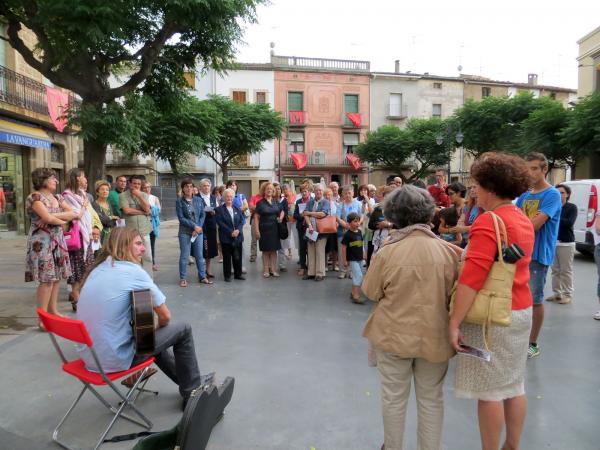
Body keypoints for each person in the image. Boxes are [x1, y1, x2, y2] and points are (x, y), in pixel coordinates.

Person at [362, 185, 460, 450]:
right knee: (431, 400)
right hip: (435, 337)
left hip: (393, 336)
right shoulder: (449, 252)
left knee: (393, 399)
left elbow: (370, 292)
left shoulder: (387, 252)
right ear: (428, 212)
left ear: (394, 215)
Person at [449, 153, 534, 450]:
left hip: (494, 316)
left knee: (490, 393)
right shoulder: (521, 218)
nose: (474, 190)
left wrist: (454, 322)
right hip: (521, 309)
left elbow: (471, 279)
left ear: (490, 187)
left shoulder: (489, 222)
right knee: (514, 385)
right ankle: (512, 445)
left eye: (477, 184)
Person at [76, 227, 209, 410]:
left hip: (90, 359)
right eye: (138, 244)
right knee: (182, 329)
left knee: (149, 337)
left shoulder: (98, 269)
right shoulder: (133, 272)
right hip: (116, 360)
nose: (144, 249)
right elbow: (165, 316)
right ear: (123, 245)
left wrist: (149, 332)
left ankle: (188, 380)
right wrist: (156, 327)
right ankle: (193, 392)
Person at [516, 152, 561, 359]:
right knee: (516, 298)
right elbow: (514, 221)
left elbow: (534, 225)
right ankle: (519, 338)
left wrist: (523, 223)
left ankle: (532, 342)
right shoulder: (525, 196)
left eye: (535, 168)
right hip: (519, 253)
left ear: (545, 170)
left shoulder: (552, 195)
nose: (530, 173)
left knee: (535, 299)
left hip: (538, 255)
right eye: (528, 169)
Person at [25, 168, 77, 328]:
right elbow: (48, 217)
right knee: (46, 280)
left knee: (56, 278)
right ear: (43, 180)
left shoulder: (58, 197)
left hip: (58, 240)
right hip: (42, 242)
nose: (56, 181)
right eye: (53, 178)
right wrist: (56, 217)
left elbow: (73, 213)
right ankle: (42, 318)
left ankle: (53, 311)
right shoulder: (35, 197)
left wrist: (53, 217)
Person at [62, 168, 95, 308]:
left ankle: (79, 296)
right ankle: (76, 297)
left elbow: (88, 216)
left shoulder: (82, 194)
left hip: (85, 235)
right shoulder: (67, 195)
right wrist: (84, 205)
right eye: (83, 176)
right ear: (76, 178)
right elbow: (77, 215)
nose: (85, 179)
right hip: (76, 236)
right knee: (77, 267)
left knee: (86, 267)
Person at [176, 179, 212, 287]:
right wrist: (194, 226)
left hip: (198, 232)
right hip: (185, 232)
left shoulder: (198, 200)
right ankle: (183, 278)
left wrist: (199, 227)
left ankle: (202, 276)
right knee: (184, 256)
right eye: (186, 186)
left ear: (193, 188)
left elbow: (202, 215)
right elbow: (181, 218)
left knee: (199, 255)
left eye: (191, 186)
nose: (189, 188)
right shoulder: (179, 201)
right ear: (183, 188)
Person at [546, 183, 577, 305]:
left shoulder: (571, 207)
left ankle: (567, 294)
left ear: (567, 194)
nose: (559, 195)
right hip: (553, 242)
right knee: (555, 270)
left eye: (562, 193)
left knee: (566, 270)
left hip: (566, 243)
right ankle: (557, 294)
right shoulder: (553, 206)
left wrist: (551, 217)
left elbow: (568, 223)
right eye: (557, 192)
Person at [119, 175, 154, 277]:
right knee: (131, 256)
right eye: (134, 183)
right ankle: (133, 278)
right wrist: (142, 212)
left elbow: (148, 210)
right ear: (130, 184)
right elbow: (127, 210)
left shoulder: (144, 195)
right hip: (131, 231)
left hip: (144, 230)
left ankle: (148, 280)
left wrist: (139, 196)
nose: (137, 186)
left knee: (147, 256)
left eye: (139, 184)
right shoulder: (122, 196)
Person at [254, 182, 284, 278]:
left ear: (273, 191)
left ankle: (274, 270)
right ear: (264, 190)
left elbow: (282, 210)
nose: (269, 190)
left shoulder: (276, 202)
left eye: (271, 189)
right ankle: (266, 270)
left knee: (274, 251)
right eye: (267, 188)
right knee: (266, 251)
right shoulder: (260, 203)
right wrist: (257, 230)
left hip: (275, 229)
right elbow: (256, 217)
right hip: (264, 229)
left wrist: (281, 217)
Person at [215, 188, 245, 282]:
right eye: (227, 196)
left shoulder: (237, 208)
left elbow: (241, 221)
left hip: (238, 236)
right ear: (224, 198)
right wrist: (230, 232)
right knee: (227, 257)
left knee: (238, 256)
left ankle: (238, 274)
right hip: (226, 237)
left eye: (231, 196)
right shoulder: (219, 209)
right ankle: (227, 275)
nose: (229, 198)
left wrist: (238, 230)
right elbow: (220, 223)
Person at [303, 183, 330, 281]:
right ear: (314, 191)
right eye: (317, 190)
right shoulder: (310, 202)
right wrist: (309, 225)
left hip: (321, 231)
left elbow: (323, 214)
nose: (318, 192)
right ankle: (311, 272)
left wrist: (310, 213)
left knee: (319, 251)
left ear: (323, 192)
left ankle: (320, 273)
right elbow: (304, 214)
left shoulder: (325, 202)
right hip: (311, 229)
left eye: (320, 190)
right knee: (310, 251)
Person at [336, 185, 362, 279]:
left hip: (355, 230)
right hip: (343, 230)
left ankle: (352, 271)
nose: (347, 195)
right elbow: (338, 218)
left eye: (349, 193)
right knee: (342, 250)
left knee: (353, 250)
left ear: (353, 193)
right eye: (345, 193)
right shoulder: (340, 205)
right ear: (342, 195)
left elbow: (361, 216)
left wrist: (356, 225)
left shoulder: (358, 203)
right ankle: (343, 271)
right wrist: (347, 225)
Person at [197, 179, 218, 278]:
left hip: (211, 226)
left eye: (208, 186)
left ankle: (208, 269)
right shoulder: (196, 197)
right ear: (200, 187)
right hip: (201, 225)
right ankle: (200, 271)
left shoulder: (213, 197)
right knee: (200, 249)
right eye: (204, 186)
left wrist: (215, 211)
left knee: (209, 250)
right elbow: (197, 209)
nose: (206, 187)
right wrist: (209, 209)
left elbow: (217, 209)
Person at [341, 212, 364, 303]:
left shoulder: (359, 232)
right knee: (358, 276)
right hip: (352, 259)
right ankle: (356, 295)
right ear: (349, 223)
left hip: (360, 258)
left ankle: (353, 292)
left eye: (358, 221)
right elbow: (344, 247)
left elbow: (361, 244)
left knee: (357, 275)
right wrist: (345, 260)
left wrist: (364, 254)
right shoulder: (347, 235)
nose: (357, 223)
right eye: (355, 221)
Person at [368, 185, 396, 255]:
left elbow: (401, 225)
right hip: (377, 242)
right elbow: (370, 225)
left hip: (392, 242)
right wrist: (378, 225)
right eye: (386, 196)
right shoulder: (378, 209)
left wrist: (388, 225)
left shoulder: (398, 210)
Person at [142, 180, 161, 271]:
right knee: (141, 244)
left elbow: (158, 210)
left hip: (152, 224)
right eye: (145, 187)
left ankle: (152, 263)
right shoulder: (140, 197)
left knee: (151, 244)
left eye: (148, 187)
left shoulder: (154, 198)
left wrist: (150, 209)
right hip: (142, 224)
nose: (147, 189)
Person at [293, 182, 312, 276]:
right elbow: (294, 215)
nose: (304, 193)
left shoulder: (312, 201)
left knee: (311, 247)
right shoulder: (298, 202)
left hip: (311, 228)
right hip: (301, 227)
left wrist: (309, 214)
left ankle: (311, 267)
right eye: (302, 192)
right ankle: (302, 267)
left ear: (309, 192)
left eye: (305, 191)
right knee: (302, 247)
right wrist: (300, 216)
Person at [92, 180, 119, 244]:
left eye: (107, 190)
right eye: (102, 189)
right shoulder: (94, 205)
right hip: (100, 235)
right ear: (97, 192)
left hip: (111, 234)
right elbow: (100, 219)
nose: (105, 191)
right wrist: (111, 217)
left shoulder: (109, 204)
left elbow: (114, 219)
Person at [274, 182, 290, 272]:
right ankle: (271, 265)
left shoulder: (284, 200)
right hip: (272, 225)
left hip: (282, 225)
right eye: (275, 189)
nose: (277, 190)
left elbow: (285, 211)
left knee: (282, 246)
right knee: (272, 246)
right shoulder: (271, 200)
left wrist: (280, 218)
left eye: (279, 189)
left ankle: (282, 265)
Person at [248, 190, 263, 263]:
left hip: (264, 219)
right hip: (254, 219)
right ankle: (253, 256)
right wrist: (262, 208)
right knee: (254, 238)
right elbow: (251, 207)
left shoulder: (266, 197)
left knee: (264, 238)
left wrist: (256, 207)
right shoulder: (254, 197)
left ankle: (264, 254)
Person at [282, 183, 297, 259]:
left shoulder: (295, 196)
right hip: (287, 220)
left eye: (286, 189)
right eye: (283, 190)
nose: (285, 191)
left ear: (289, 189)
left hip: (294, 220)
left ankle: (299, 255)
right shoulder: (282, 198)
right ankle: (290, 252)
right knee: (287, 237)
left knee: (296, 236)